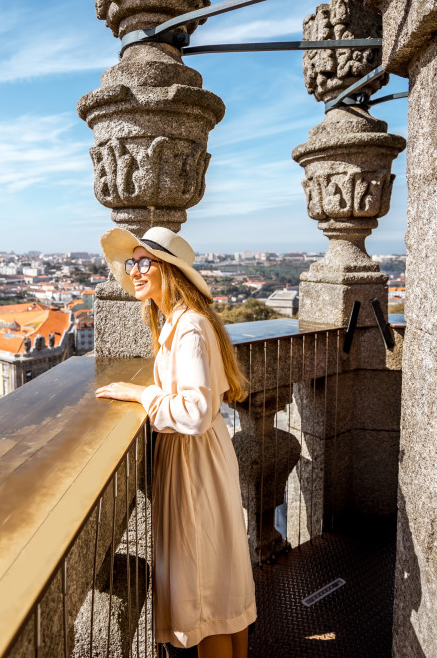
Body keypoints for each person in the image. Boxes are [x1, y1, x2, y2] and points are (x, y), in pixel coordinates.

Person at [95, 226, 256, 658]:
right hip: (197, 461)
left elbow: (196, 412)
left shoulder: (188, 329)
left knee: (203, 590)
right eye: (132, 263)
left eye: (145, 261)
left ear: (170, 270)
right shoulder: (181, 323)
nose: (136, 270)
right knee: (214, 585)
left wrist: (141, 394)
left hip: (194, 466)